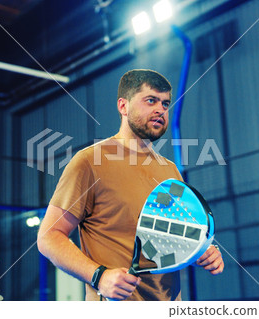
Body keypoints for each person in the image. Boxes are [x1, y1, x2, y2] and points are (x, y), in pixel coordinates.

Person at [37, 69, 224, 301]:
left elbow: (173, 238)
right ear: (123, 106)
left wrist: (201, 252)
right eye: (151, 100)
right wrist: (99, 277)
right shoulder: (88, 162)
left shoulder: (170, 170)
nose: (160, 109)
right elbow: (48, 237)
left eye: (165, 104)